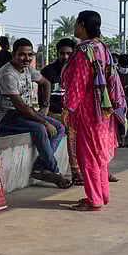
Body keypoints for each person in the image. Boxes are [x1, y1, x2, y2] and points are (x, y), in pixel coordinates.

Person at [62, 10, 124, 211]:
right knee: (99, 154)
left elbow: (79, 83)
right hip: (105, 110)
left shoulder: (83, 51)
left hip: (88, 110)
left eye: (77, 23)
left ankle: (93, 199)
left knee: (87, 155)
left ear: (81, 25)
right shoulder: (103, 48)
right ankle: (102, 194)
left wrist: (68, 108)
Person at [0, 38, 70, 188]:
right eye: (22, 54)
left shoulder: (27, 69)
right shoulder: (8, 74)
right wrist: (45, 122)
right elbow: (20, 107)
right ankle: (55, 172)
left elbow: (45, 83)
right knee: (40, 128)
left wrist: (45, 106)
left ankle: (41, 166)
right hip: (6, 116)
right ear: (13, 54)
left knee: (59, 127)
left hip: (24, 112)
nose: (26, 58)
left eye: (30, 55)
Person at [42, 38, 82, 183]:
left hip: (72, 113)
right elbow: (43, 100)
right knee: (70, 130)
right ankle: (76, 170)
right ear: (57, 53)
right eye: (62, 53)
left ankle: (96, 170)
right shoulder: (48, 71)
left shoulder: (77, 72)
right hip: (54, 113)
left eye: (69, 54)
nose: (65, 57)